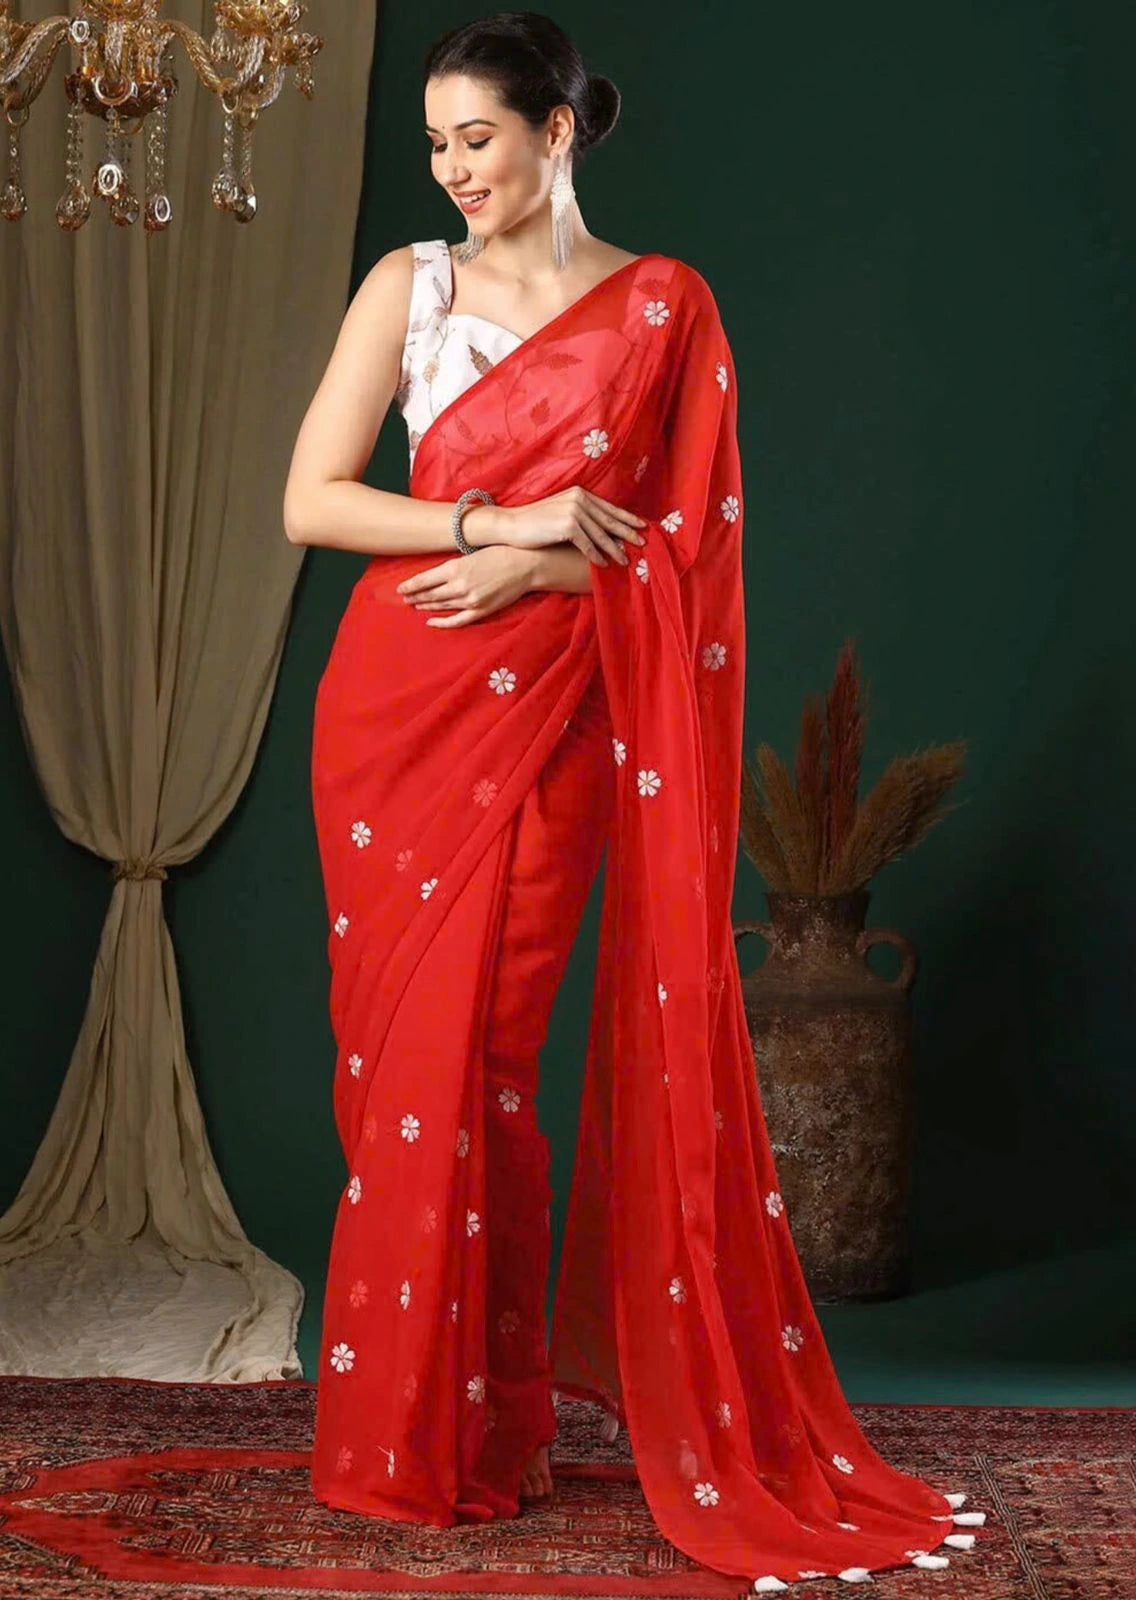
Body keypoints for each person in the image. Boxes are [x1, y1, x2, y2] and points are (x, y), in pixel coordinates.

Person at [282, 10, 986, 1590]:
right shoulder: (413, 287)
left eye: (483, 136)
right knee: (398, 1061)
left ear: (560, 132)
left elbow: (679, 543)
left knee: (491, 1060)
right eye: (440, 144)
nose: (459, 169)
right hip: (397, 709)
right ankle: (398, 1441)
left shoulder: (664, 307)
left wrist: (542, 559)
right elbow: (309, 500)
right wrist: (496, 510)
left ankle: (485, 1428)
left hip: (565, 714)